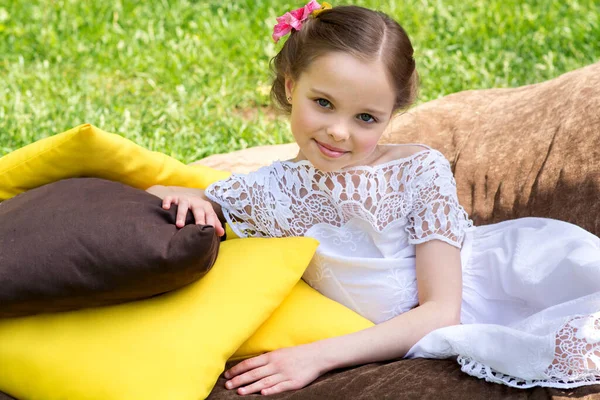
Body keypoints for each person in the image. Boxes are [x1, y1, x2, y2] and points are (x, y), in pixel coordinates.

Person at [146, 1, 600, 396]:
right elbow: (166, 196)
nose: (338, 131)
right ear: (290, 87)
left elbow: (442, 311)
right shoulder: (269, 189)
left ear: (390, 116)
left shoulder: (418, 170)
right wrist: (186, 198)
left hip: (508, 288)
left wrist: (314, 358)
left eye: (365, 117)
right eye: (322, 102)